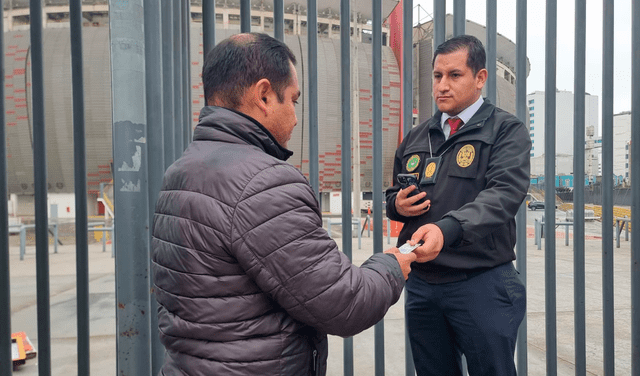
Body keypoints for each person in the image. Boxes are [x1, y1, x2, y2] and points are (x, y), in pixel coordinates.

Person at [151, 32, 416, 376]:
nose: (294, 116)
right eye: (292, 99)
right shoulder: (263, 182)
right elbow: (344, 303)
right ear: (263, 95)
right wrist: (392, 265)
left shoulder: (181, 171)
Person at [385, 35, 531, 376]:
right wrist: (398, 205)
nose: (442, 86)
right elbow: (393, 194)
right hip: (423, 285)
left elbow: (503, 196)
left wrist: (446, 229)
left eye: (454, 75)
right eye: (437, 76)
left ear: (480, 78)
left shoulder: (506, 131)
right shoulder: (417, 136)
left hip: (480, 282)